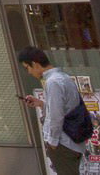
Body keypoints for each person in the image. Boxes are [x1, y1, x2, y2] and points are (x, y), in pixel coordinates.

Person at [20, 46, 88, 175]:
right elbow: (65, 109)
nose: (29, 72)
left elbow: (56, 116)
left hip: (63, 143)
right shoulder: (62, 77)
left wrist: (52, 142)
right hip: (71, 141)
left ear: (34, 64)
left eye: (27, 67)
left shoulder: (53, 82)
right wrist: (41, 104)